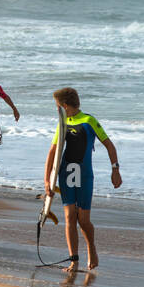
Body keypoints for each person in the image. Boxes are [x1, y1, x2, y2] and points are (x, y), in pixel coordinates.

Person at [44, 86, 121, 271]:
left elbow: (110, 145)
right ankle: (74, 260)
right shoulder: (62, 124)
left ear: (64, 105)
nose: (57, 109)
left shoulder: (89, 120)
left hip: (85, 175)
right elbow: (53, 151)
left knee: (83, 220)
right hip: (66, 174)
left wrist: (115, 170)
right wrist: (48, 180)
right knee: (70, 216)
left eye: (57, 106)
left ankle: (91, 247)